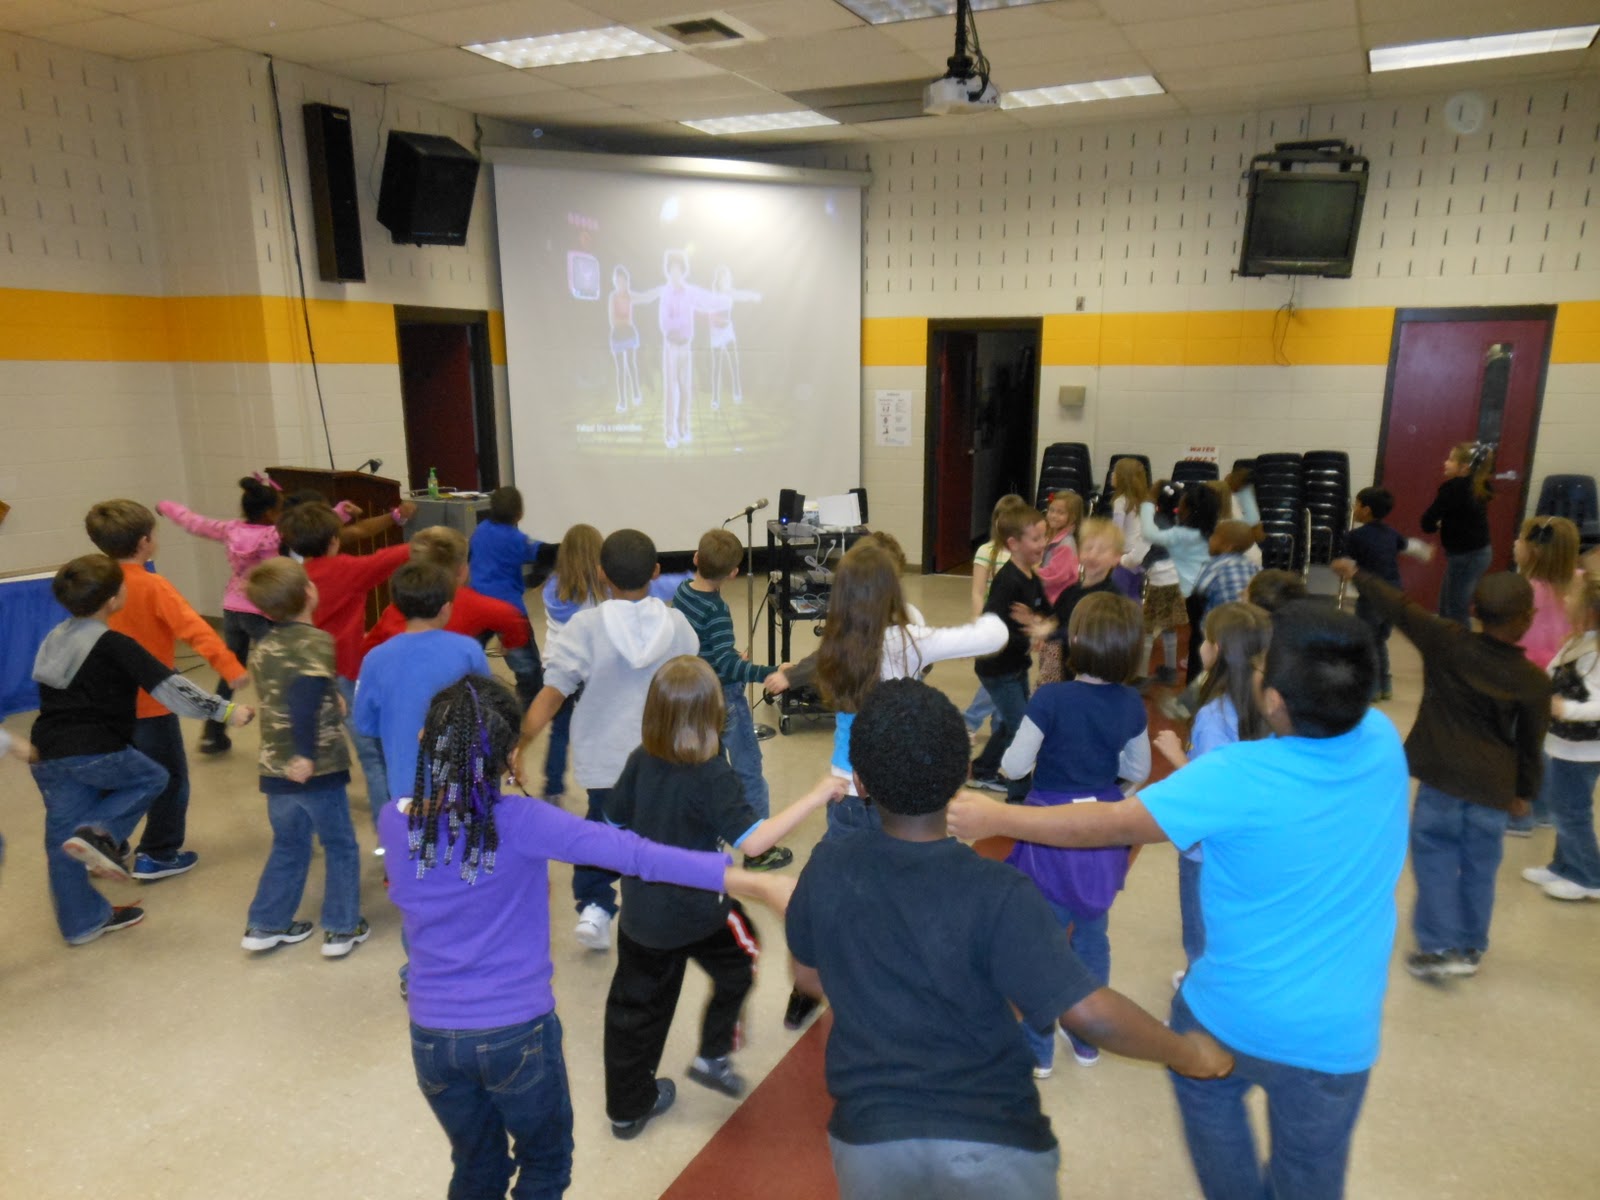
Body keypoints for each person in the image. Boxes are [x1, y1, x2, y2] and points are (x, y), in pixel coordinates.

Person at [950, 601, 1410, 1200]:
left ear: (1275, 700)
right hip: (1339, 1036)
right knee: (1311, 1178)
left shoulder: (1235, 775)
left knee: (1204, 1095)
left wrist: (997, 817)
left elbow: (1111, 825)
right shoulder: (1382, 740)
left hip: (1230, 1016)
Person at [787, 677, 1232, 1200]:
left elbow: (809, 976)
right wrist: (1187, 1052)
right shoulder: (999, 891)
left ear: (860, 783)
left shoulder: (827, 866)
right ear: (962, 776)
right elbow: (1088, 1012)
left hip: (869, 1143)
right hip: (991, 1141)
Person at [382, 676, 795, 1197]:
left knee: (475, 1165)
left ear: (425, 741)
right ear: (512, 755)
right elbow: (639, 856)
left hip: (431, 1039)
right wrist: (752, 881)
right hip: (514, 1035)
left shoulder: (394, 821)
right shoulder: (525, 821)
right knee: (545, 1165)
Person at [602, 657, 844, 1135]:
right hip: (700, 913)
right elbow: (754, 843)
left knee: (634, 1014)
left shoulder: (639, 759)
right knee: (741, 956)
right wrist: (816, 795)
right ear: (714, 714)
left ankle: (627, 1110)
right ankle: (713, 1053)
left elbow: (612, 823)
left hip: (643, 919)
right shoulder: (713, 774)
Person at [1332, 559, 1549, 978]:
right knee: (1480, 868)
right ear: (1528, 618)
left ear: (1473, 611)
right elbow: (1530, 745)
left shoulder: (1446, 641)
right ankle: (1470, 946)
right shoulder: (1533, 681)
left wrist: (1358, 574)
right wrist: (1525, 793)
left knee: (1435, 861)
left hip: (1441, 782)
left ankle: (1439, 947)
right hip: (1492, 790)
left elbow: (1400, 606)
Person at [29, 555, 252, 945]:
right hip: (97, 748)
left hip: (47, 752)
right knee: (153, 776)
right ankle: (100, 833)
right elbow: (171, 689)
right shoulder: (116, 644)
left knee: (61, 840)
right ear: (113, 599)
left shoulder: (55, 636)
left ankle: (82, 923)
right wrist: (226, 712)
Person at [516, 528, 700, 953]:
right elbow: (695, 687)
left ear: (601, 574)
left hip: (604, 759)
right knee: (659, 831)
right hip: (661, 756)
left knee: (600, 832)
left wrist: (520, 742)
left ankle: (596, 908)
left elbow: (553, 693)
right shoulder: (677, 625)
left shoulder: (584, 626)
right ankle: (661, 905)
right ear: (656, 572)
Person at [998, 592, 1150, 1075]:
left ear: (1077, 640)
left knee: (1042, 943)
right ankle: (1087, 1038)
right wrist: (1107, 791)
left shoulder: (1051, 698)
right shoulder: (1131, 703)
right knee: (1092, 937)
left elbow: (1014, 765)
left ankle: (1038, 1049)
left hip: (1049, 834)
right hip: (1102, 833)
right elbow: (1138, 769)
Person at [85, 499, 247, 881]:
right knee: (169, 780)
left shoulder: (92, 583)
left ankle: (106, 841)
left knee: (116, 777)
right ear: (145, 542)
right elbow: (195, 629)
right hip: (150, 703)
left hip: (102, 707)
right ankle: (157, 853)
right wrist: (230, 667)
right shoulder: (152, 585)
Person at [240, 557, 369, 957]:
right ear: (310, 592)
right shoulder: (316, 641)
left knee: (289, 843)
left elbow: (291, 687)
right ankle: (342, 927)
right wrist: (305, 755)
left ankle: (266, 924)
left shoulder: (264, 645)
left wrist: (332, 697)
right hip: (316, 766)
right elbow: (302, 699)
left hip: (274, 766)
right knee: (340, 844)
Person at [1152, 602, 1273, 983]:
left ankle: (1197, 998)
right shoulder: (1269, 700)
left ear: (1216, 649)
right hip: (1250, 838)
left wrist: (1176, 755)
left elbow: (1210, 791)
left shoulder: (1214, 715)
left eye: (1204, 640)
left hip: (1205, 848)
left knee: (1199, 934)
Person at [276, 499, 415, 814]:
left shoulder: (294, 578)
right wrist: (424, 543)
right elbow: (387, 558)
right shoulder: (347, 570)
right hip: (342, 674)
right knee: (371, 753)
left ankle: (304, 819)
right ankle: (387, 826)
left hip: (299, 674)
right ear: (334, 539)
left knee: (307, 750)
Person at [538, 524, 689, 803]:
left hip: (557, 668)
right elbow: (662, 587)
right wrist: (698, 576)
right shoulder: (602, 595)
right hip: (598, 667)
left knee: (559, 731)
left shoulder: (553, 589)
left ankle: (552, 786)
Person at [673, 528, 792, 869]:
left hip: (694, 694)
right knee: (748, 769)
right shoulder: (717, 609)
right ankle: (759, 850)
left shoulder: (683, 593)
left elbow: (698, 646)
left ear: (696, 558)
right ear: (733, 573)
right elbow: (726, 666)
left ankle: (712, 833)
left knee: (711, 767)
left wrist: (723, 655)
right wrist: (770, 671)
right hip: (723, 697)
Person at [354, 560, 491, 831]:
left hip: (407, 779)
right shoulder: (468, 651)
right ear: (446, 608)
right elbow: (489, 709)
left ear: (397, 606)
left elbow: (365, 724)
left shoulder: (375, 659)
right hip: (462, 773)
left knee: (416, 843)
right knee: (465, 839)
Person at [156, 473, 284, 754]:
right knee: (277, 673)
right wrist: (340, 514)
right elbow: (311, 529)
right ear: (269, 513)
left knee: (231, 671)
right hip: (261, 611)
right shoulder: (274, 536)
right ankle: (280, 737)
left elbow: (194, 522)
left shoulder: (230, 529)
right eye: (279, 509)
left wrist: (168, 506)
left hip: (232, 608)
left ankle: (213, 734)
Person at [370, 524, 539, 707]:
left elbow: (369, 651)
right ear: (461, 571)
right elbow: (513, 618)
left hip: (401, 696)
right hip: (450, 700)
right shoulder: (474, 603)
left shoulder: (394, 609)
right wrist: (511, 642)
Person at [1521, 574, 1600, 898]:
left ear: (1590, 611)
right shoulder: (1578, 640)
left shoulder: (1594, 652)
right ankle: (1563, 866)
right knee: (1562, 806)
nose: (1565, 600)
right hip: (1563, 743)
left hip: (1583, 750)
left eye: (1573, 598)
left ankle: (1589, 877)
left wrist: (1565, 708)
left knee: (1572, 811)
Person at [970, 503, 1052, 800]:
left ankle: (983, 769)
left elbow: (1047, 610)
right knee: (1022, 729)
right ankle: (1019, 796)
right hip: (997, 668)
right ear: (1014, 544)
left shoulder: (1032, 577)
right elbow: (994, 628)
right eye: (1035, 539)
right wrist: (1029, 636)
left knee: (1008, 723)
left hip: (1016, 665)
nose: (1042, 544)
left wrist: (1037, 624)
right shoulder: (1007, 581)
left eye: (1044, 537)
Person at [467, 486, 547, 705]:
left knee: (468, 656)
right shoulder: (516, 539)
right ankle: (529, 705)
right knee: (527, 667)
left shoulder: (481, 530)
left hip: (477, 605)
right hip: (508, 610)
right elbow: (541, 553)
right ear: (519, 514)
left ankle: (466, 699)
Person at [1140, 480, 1223, 682]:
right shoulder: (1214, 533)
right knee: (1204, 640)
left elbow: (1149, 533)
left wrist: (1148, 503)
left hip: (1195, 595)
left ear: (1189, 511)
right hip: (1211, 592)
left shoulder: (1181, 534)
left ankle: (1195, 686)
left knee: (1198, 643)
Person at [963, 494, 1028, 739]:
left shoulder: (1025, 553)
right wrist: (979, 620)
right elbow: (978, 592)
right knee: (1000, 678)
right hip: (993, 625)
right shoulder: (986, 551)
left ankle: (997, 729)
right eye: (1003, 518)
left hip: (1016, 628)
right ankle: (972, 721)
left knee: (1006, 677)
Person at [1038, 516, 1123, 685]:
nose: (1093, 555)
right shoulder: (1071, 591)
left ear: (1116, 558)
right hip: (1063, 667)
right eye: (1088, 548)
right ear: (1079, 552)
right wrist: (1039, 620)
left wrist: (1050, 632)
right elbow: (1056, 617)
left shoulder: (1110, 598)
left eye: (1101, 550)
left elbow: (1085, 634)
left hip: (1092, 674)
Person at [1344, 487, 1410, 700]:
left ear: (1366, 510)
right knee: (1379, 639)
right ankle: (1385, 685)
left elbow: (1345, 561)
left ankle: (1371, 689)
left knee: (1367, 640)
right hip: (1394, 593)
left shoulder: (1355, 536)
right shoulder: (1392, 533)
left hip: (1372, 594)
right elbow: (1405, 545)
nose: (1354, 508)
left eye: (1357, 504)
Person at [1420, 441, 1494, 625]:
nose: (1445, 462)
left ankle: (1459, 641)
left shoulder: (1453, 488)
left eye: (1451, 460)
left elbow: (1427, 522)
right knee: (1448, 606)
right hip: (1477, 553)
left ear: (1464, 468)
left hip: (1467, 556)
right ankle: (1447, 638)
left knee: (1455, 609)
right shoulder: (1480, 486)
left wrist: (1435, 525)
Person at [1513, 515, 1581, 672]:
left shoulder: (1523, 590)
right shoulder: (1581, 582)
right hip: (1565, 665)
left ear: (1535, 551)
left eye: (1521, 540)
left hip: (1526, 667)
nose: (1515, 543)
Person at [1191, 520, 1261, 617]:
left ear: (1228, 547)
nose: (1210, 539)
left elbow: (1197, 592)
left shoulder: (1214, 566)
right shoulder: (1254, 566)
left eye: (1214, 536)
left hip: (1221, 621)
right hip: (1251, 621)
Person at [1034, 489, 1083, 608]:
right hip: (1049, 595)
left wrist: (1032, 571)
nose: (1054, 516)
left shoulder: (1066, 544)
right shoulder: (1051, 535)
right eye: (1051, 510)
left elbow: (1054, 575)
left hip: (1057, 601)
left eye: (1060, 513)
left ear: (1072, 517)